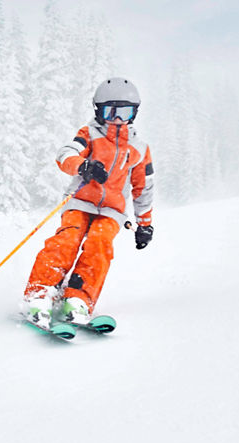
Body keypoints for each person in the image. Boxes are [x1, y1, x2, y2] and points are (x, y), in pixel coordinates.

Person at [23, 77, 155, 330]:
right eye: (110, 112)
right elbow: (65, 154)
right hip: (80, 202)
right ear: (99, 111)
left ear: (134, 113)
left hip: (112, 211)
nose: (118, 119)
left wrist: (145, 225)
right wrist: (84, 166)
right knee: (67, 241)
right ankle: (39, 295)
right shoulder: (89, 134)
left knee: (99, 245)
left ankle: (78, 299)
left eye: (124, 112)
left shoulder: (139, 147)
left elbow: (144, 187)